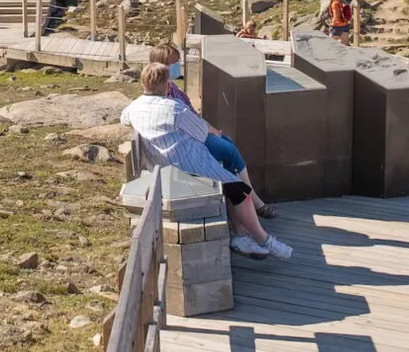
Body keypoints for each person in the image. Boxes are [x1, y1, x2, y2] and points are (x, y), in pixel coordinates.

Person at [122, 64, 291, 259]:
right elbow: (202, 134)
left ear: (143, 83)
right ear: (167, 85)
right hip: (188, 169)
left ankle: (242, 237)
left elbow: (124, 118)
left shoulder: (133, 108)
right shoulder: (176, 109)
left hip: (162, 170)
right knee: (240, 190)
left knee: (230, 179)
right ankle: (265, 240)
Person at [149, 42, 277, 220]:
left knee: (229, 146)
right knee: (229, 150)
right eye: (174, 61)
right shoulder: (161, 94)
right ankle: (254, 202)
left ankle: (244, 200)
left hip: (195, 132)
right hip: (187, 142)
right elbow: (182, 122)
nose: (178, 64)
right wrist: (209, 130)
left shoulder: (172, 87)